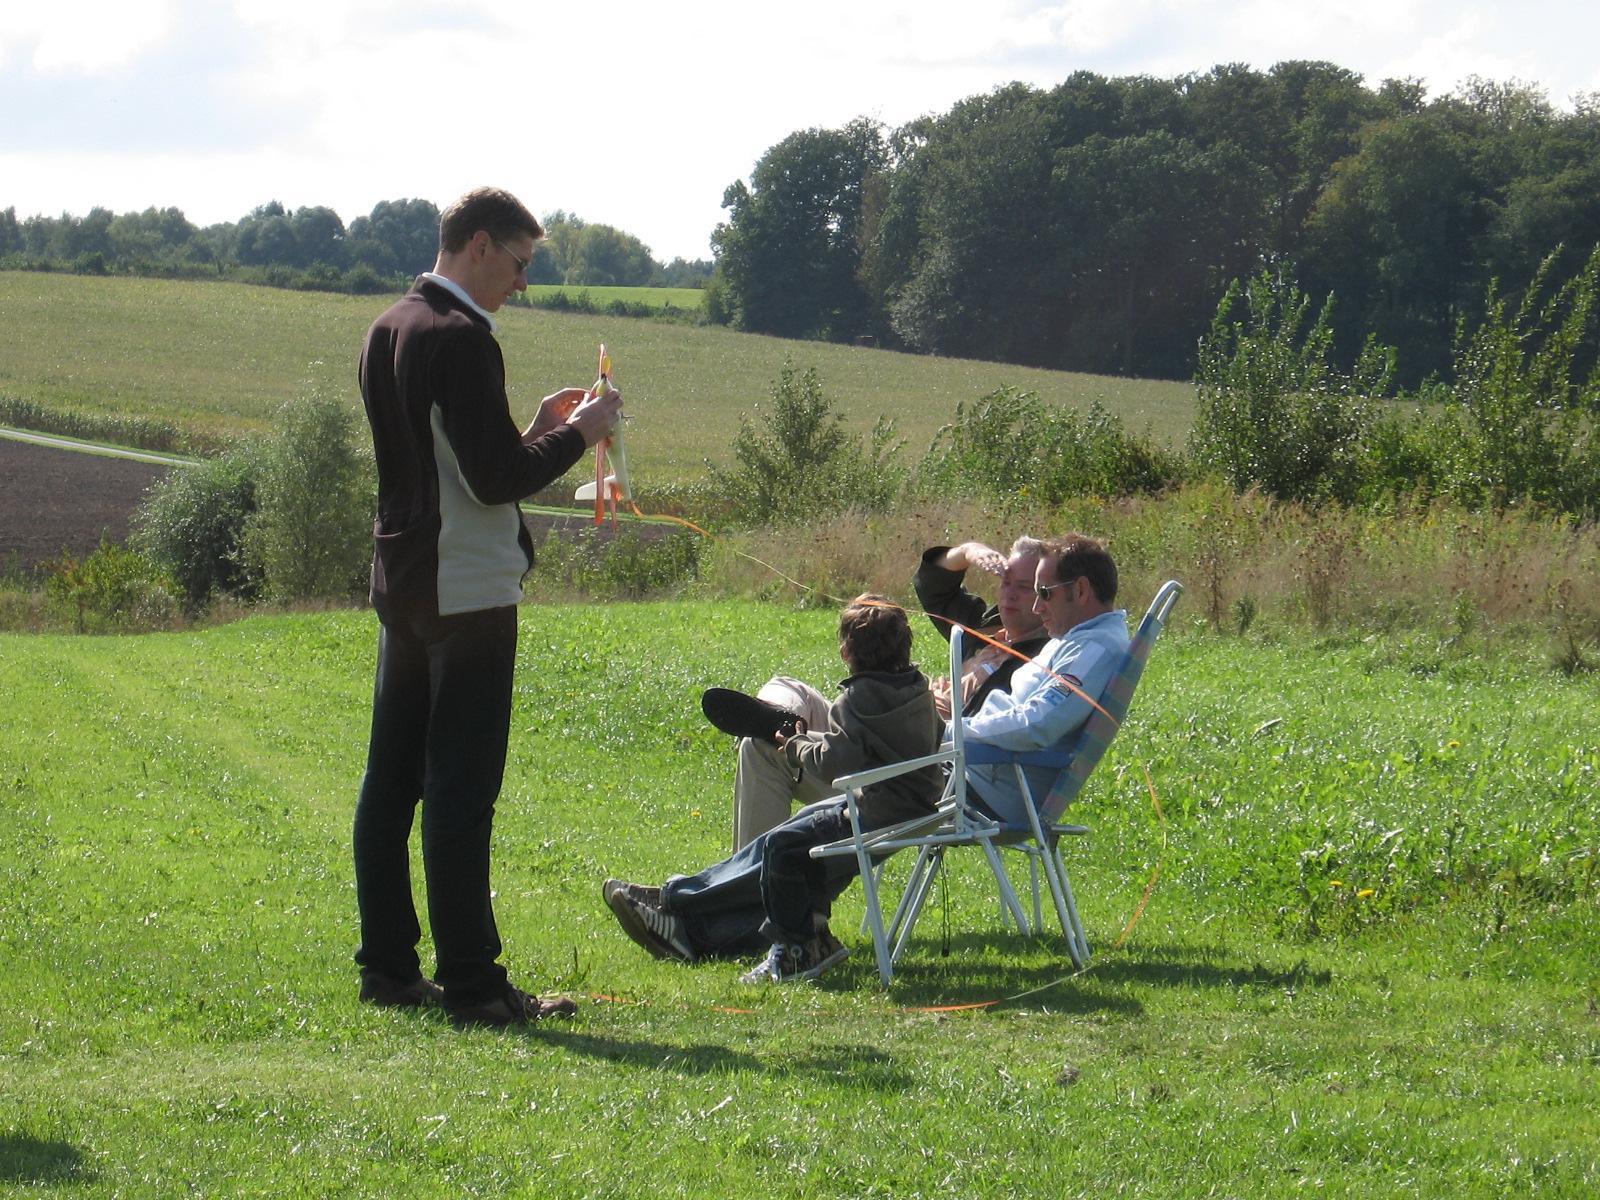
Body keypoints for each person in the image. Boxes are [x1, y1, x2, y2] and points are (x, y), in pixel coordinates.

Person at [353, 186, 623, 1027]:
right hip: (466, 589)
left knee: (391, 784)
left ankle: (388, 969)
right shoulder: (464, 338)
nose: (522, 282)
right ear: (478, 245)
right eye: (518, 262)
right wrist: (582, 434)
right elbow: (495, 480)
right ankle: (474, 986)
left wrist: (537, 425)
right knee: (461, 789)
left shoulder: (389, 326)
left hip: (403, 583)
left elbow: (461, 459)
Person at [604, 596, 942, 984]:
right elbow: (900, 742)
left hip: (876, 812)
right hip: (916, 805)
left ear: (846, 652)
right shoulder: (918, 688)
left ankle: (681, 904)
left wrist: (797, 746)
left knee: (781, 846)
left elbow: (834, 762)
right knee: (792, 833)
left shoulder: (855, 700)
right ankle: (689, 912)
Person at [728, 537, 1048, 852]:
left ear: (1045, 596)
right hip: (883, 732)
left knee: (762, 748)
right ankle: (779, 716)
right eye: (1005, 581)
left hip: (914, 767)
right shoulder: (987, 628)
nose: (1009, 594)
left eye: (1023, 587)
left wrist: (943, 713)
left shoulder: (1042, 663)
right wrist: (967, 551)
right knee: (788, 687)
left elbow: (1013, 727)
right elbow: (933, 585)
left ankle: (746, 881)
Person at [962, 534, 1130, 826]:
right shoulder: (1078, 639)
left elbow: (1036, 724)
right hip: (974, 773)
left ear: (1080, 590)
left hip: (982, 790)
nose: (1037, 608)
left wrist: (951, 733)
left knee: (881, 769)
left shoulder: (1093, 649)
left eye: (1044, 592)